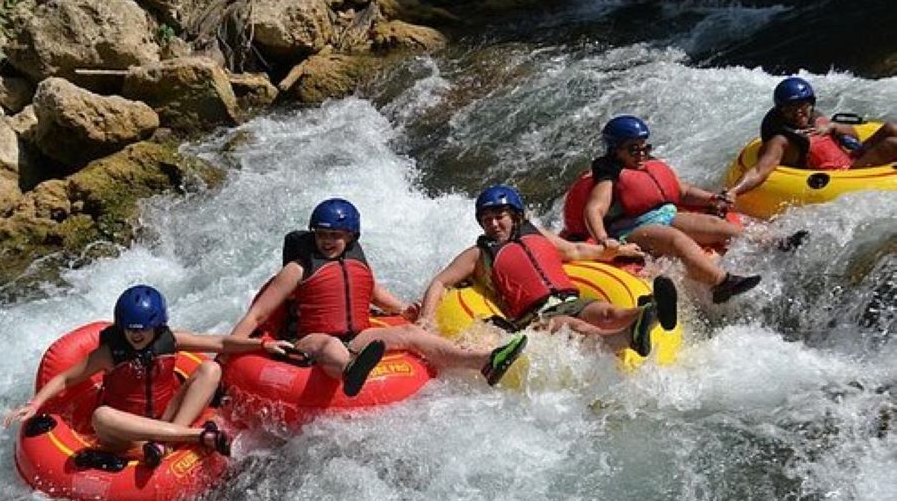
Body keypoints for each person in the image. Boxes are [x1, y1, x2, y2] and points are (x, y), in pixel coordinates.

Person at [229, 198, 529, 389]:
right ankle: (350, 371)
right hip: (309, 340)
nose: (327, 242)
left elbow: (372, 292)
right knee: (328, 344)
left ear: (350, 237)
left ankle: (482, 361)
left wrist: (402, 309)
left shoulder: (356, 263)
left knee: (411, 334)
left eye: (335, 235)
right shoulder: (297, 268)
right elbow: (258, 314)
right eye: (322, 235)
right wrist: (228, 352)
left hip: (357, 337)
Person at [4, 285, 292, 468]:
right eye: (130, 329)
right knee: (101, 415)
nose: (136, 335)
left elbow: (220, 344)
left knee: (211, 368)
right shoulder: (110, 353)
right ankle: (195, 436)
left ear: (157, 325)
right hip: (123, 435)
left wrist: (263, 344)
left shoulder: (171, 341)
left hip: (164, 420)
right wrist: (36, 402)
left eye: (143, 328)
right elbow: (66, 378)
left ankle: (166, 444)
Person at [418, 185, 678, 358]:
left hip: (570, 300)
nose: (494, 224)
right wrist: (425, 321)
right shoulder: (478, 254)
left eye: (500, 216)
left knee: (609, 312)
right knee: (572, 326)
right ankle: (630, 335)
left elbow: (574, 251)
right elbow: (440, 282)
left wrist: (614, 251)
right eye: (487, 220)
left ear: (516, 216)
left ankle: (647, 312)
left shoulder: (535, 233)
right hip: (534, 318)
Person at [573, 115, 766, 304]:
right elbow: (593, 209)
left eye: (645, 147)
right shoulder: (609, 176)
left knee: (716, 225)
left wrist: (713, 199)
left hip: (665, 215)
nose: (641, 153)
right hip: (631, 228)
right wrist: (603, 240)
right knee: (677, 240)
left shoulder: (648, 163)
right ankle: (721, 282)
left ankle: (775, 242)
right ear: (615, 151)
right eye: (633, 149)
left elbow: (682, 192)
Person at [724, 77, 897, 200]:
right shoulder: (782, 140)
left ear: (810, 104)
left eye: (801, 105)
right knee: (891, 145)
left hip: (852, 157)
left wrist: (833, 126)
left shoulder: (816, 118)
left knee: (891, 127)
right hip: (843, 174)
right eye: (790, 107)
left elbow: (855, 135)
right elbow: (760, 170)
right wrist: (734, 191)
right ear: (781, 111)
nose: (798, 111)